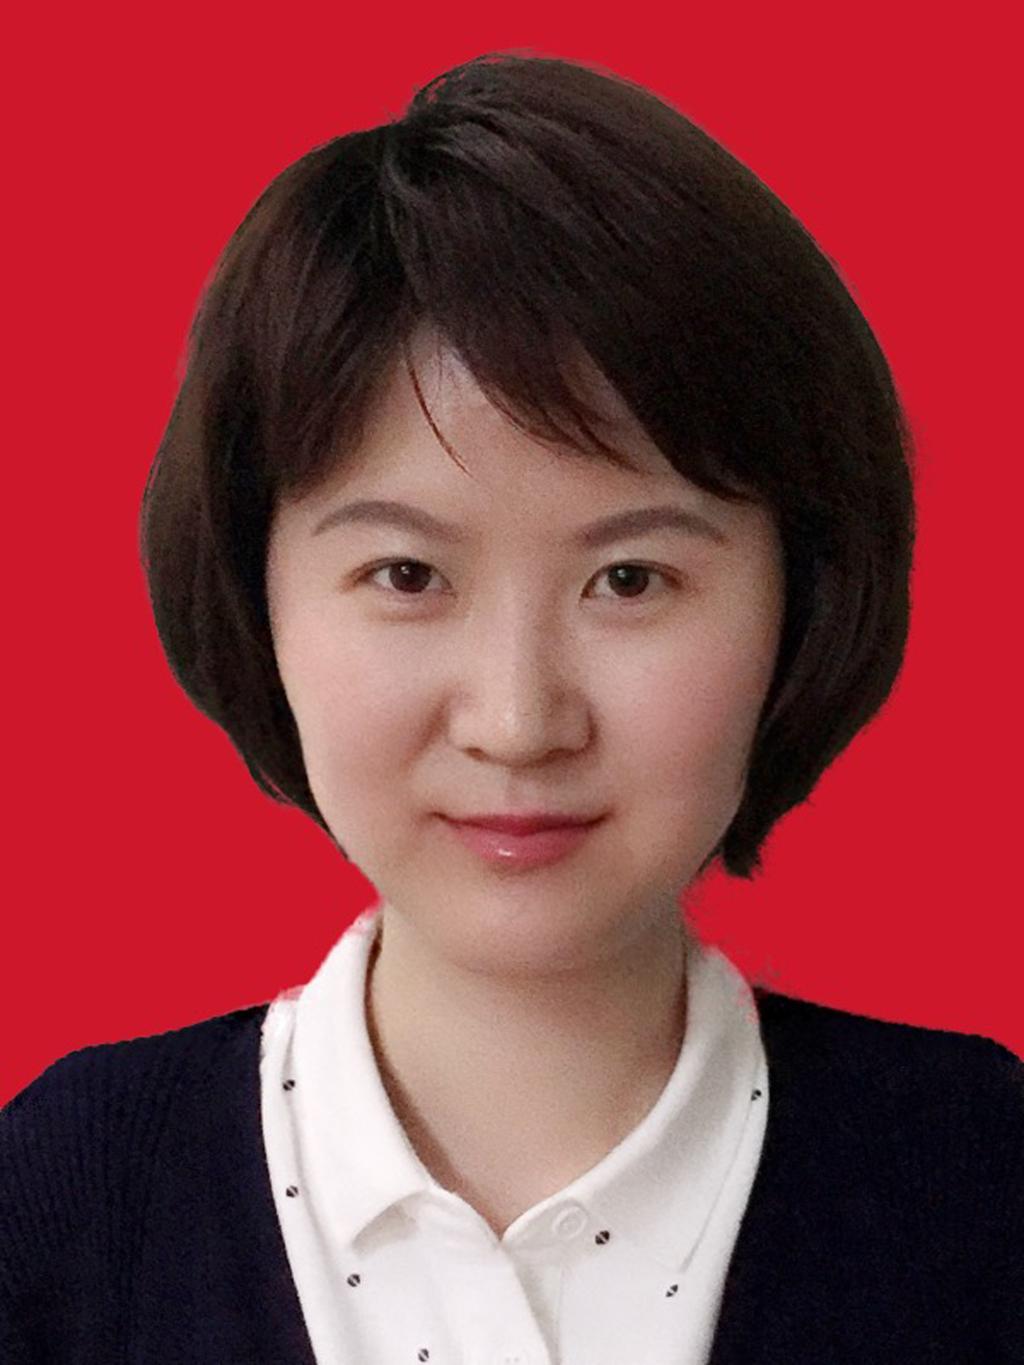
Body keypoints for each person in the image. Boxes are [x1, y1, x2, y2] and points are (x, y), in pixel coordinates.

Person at [2, 49, 1020, 1365]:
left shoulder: (983, 1185)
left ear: (801, 597)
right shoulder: (64, 1208)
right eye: (407, 575)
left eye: (629, 578)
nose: (519, 720)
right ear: (258, 596)